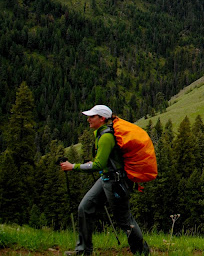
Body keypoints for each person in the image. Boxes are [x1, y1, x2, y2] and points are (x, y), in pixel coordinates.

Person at [60, 105, 150, 255]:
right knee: (84, 207)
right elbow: (103, 162)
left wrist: (73, 166)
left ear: (101, 119)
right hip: (106, 179)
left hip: (116, 183)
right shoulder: (101, 133)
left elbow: (99, 165)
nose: (88, 119)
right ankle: (83, 251)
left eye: (92, 116)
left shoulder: (106, 137)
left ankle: (142, 253)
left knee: (125, 221)